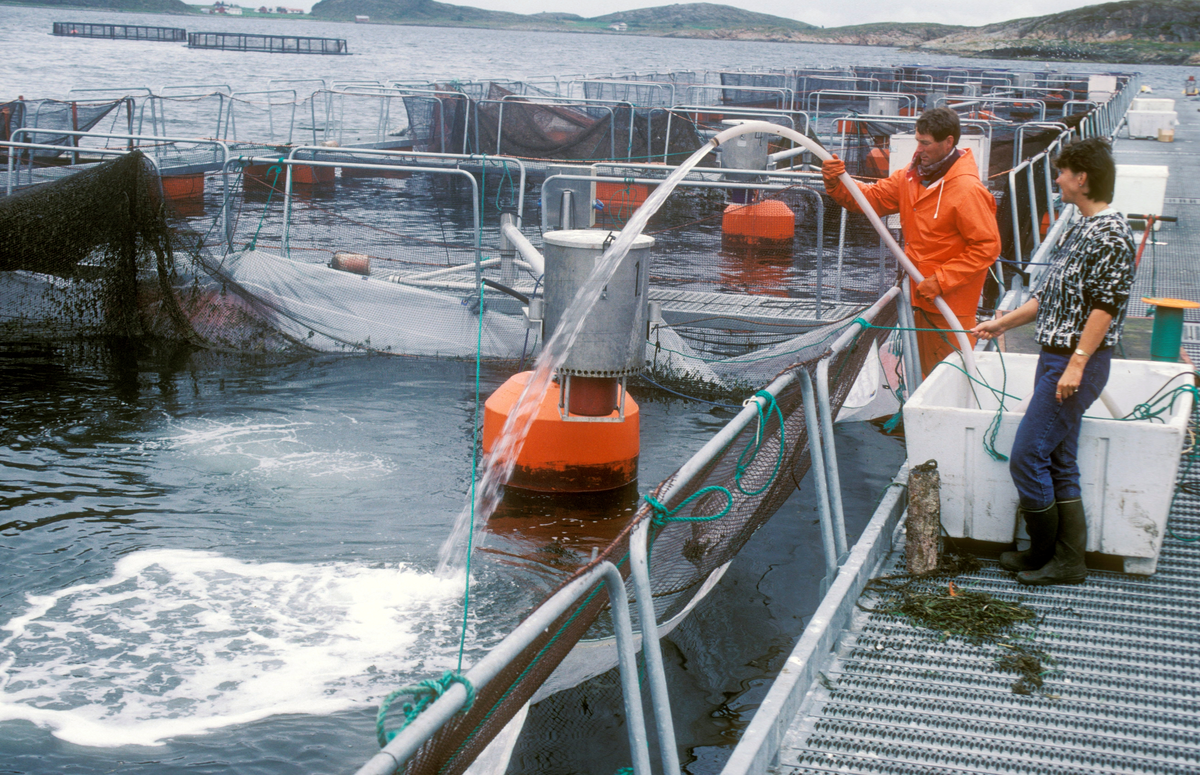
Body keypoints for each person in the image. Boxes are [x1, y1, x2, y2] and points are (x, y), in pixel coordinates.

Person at [972, 138, 1135, 586]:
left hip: (1075, 364)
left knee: (1026, 456)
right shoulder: (1080, 226)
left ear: (1081, 178)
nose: (1058, 179)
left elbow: (1105, 306)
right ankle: (1065, 560)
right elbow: (1049, 298)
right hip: (1055, 359)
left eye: (1063, 172)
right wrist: (1001, 324)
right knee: (1059, 461)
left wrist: (1077, 365)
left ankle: (1045, 553)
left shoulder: (1111, 233)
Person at [822, 107, 1001, 377]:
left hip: (949, 306)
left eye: (925, 143)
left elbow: (987, 247)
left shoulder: (968, 190)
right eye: (918, 140)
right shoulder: (911, 177)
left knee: (947, 376)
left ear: (949, 142)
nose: (919, 148)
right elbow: (872, 198)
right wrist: (837, 182)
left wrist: (941, 280)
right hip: (917, 299)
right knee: (919, 372)